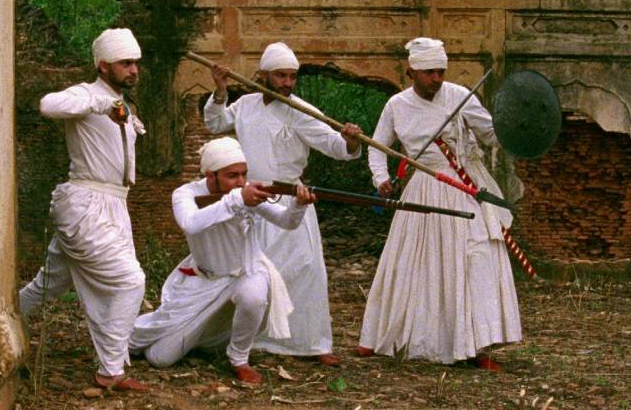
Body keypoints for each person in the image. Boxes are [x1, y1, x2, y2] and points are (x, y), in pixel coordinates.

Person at [357, 37, 522, 371]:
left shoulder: (460, 96)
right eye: (429, 72)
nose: (437, 78)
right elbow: (377, 146)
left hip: (464, 185)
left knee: (476, 258)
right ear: (411, 72)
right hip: (423, 187)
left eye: (441, 72)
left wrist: (514, 125)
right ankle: (384, 337)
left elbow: (491, 134)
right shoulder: (396, 105)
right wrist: (381, 179)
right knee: (411, 263)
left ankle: (477, 346)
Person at [203, 42, 363, 366]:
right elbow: (216, 123)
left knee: (306, 271)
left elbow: (334, 145)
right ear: (263, 75)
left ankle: (312, 344)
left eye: (292, 77)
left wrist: (350, 139)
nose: (288, 83)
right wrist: (220, 90)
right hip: (253, 198)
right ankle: (253, 341)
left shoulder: (303, 111)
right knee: (254, 274)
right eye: (281, 76)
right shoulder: (245, 104)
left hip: (293, 200)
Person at [18, 28, 148, 391]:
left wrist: (117, 109)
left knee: (49, 284)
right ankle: (109, 369)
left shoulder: (124, 105)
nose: (133, 70)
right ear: (104, 65)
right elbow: (48, 105)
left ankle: (2, 318)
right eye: (125, 63)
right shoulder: (86, 94)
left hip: (114, 204)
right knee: (130, 280)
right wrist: (99, 103)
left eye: (135, 63)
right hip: (85, 203)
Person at [129, 137, 317, 384]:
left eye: (244, 174)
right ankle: (194, 339)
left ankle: (238, 358)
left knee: (254, 296)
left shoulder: (245, 191)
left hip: (247, 270)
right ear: (210, 176)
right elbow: (190, 224)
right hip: (203, 279)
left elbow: (286, 222)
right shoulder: (186, 194)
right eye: (232, 175)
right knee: (159, 357)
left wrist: (298, 206)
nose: (241, 181)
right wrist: (236, 199)